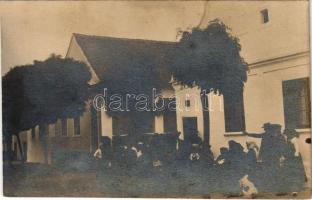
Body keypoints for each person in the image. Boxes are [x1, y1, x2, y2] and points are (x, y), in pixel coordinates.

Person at [281, 128, 306, 194]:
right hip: (289, 158)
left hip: (294, 158)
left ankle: (295, 190)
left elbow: (297, 150)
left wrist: (294, 159)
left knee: (295, 172)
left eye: (286, 134)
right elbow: (287, 150)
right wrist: (284, 156)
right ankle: (291, 189)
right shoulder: (288, 139)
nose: (285, 135)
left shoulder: (294, 139)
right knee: (289, 173)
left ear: (289, 133)